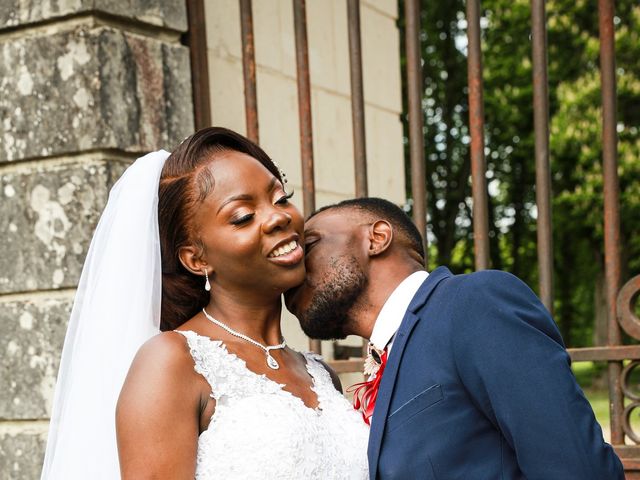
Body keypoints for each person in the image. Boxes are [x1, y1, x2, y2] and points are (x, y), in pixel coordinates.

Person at [41, 127, 369, 479]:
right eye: (243, 216)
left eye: (281, 198)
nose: (278, 217)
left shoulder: (320, 374)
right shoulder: (173, 362)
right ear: (196, 259)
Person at [285, 197, 624, 480]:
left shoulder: (473, 303)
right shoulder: (389, 354)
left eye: (310, 243)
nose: (296, 264)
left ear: (377, 237)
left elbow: (578, 469)